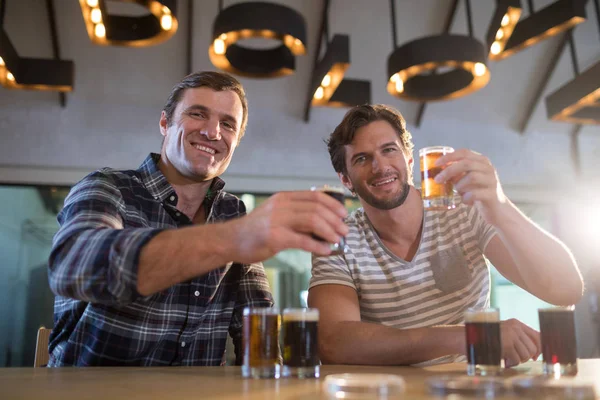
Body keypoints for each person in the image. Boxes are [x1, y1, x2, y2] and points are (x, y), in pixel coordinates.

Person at [47, 71, 348, 367]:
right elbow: (71, 267)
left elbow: (258, 326)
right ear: (165, 123)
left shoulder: (233, 213)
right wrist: (235, 238)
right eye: (198, 114)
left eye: (227, 124)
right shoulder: (108, 187)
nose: (212, 132)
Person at [309, 104, 584, 367]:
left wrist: (500, 205)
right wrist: (474, 335)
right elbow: (333, 343)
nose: (380, 166)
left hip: (473, 385)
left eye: (389, 150)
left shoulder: (464, 210)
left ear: (407, 157)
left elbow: (566, 289)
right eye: (362, 158)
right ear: (345, 179)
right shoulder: (338, 235)